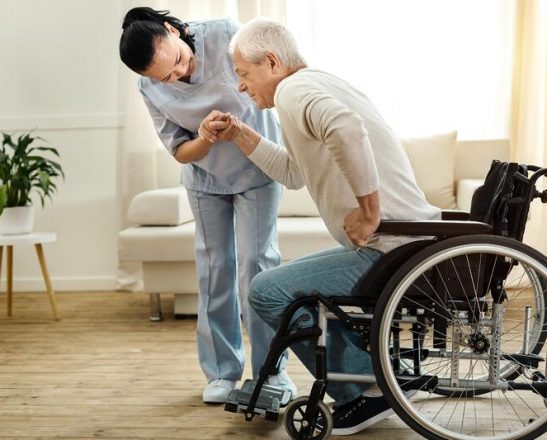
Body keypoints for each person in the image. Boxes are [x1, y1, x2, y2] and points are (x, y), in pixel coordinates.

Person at [199, 18, 441, 435]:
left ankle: (364, 394)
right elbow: (294, 172)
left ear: (271, 62)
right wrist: (239, 134)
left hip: (391, 248)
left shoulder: (295, 90)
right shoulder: (315, 83)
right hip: (402, 243)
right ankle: (385, 374)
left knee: (266, 290)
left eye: (243, 73)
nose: (240, 86)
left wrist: (369, 210)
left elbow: (347, 128)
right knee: (284, 282)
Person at [118, 8, 296, 404]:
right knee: (215, 273)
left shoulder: (227, 35)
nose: (178, 75)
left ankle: (272, 373)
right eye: (166, 77)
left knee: (258, 268)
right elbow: (181, 151)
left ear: (172, 30)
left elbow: (270, 82)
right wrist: (206, 137)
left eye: (179, 61)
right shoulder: (149, 88)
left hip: (257, 167)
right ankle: (221, 372)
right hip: (205, 179)